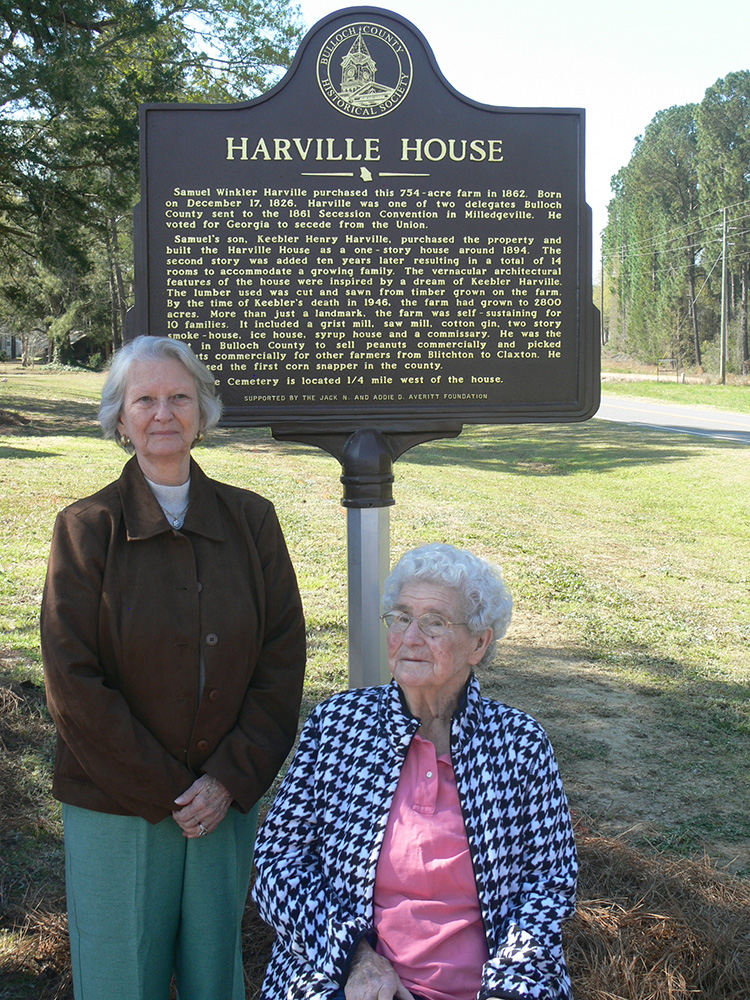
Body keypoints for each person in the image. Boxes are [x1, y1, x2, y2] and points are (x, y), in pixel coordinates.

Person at [41, 335, 306, 1000]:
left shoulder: (252, 522)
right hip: (115, 803)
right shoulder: (84, 529)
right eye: (146, 400)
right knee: (119, 977)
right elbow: (72, 681)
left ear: (202, 411)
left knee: (215, 975)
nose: (164, 413)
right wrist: (168, 790)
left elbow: (281, 663)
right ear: (121, 418)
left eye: (179, 397)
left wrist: (225, 782)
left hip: (223, 803)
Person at [253, 543, 577, 1000]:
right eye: (401, 617)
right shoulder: (338, 727)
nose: (410, 637)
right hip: (353, 983)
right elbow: (277, 865)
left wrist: (509, 988)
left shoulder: (519, 743)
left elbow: (551, 883)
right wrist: (354, 959)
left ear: (479, 643)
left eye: (435, 622)